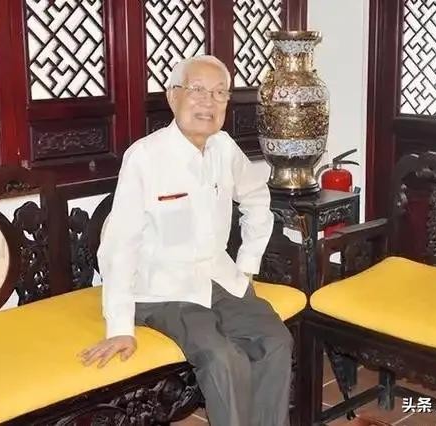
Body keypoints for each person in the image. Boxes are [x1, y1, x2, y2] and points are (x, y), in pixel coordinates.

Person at [80, 55, 293, 426]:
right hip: (162, 289)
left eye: (219, 93)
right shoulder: (145, 157)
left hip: (219, 277)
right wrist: (120, 328)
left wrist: (247, 264)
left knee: (276, 342)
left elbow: (257, 196)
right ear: (173, 96)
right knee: (223, 358)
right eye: (197, 90)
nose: (208, 101)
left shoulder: (224, 148)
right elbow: (119, 244)